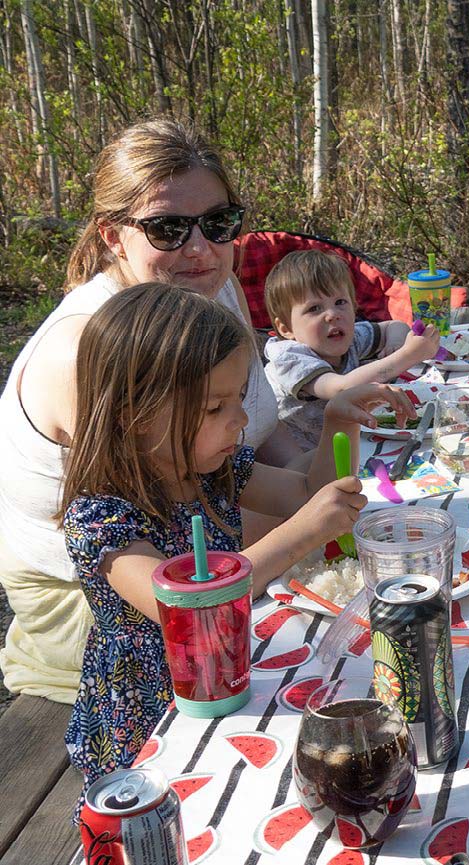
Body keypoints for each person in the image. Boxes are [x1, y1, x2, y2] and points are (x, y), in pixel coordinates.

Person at [59, 283, 412, 816]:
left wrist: (338, 420)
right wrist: (300, 534)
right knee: (174, 819)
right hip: (151, 718)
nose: (240, 420)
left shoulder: (214, 471)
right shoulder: (103, 515)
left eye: (238, 400)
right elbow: (178, 606)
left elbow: (303, 493)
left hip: (229, 682)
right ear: (135, 411)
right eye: (215, 407)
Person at [0, 118, 322, 701]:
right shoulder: (96, 347)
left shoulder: (204, 289)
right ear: (112, 237)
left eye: (218, 223)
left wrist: (321, 459)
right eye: (167, 228)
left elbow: (261, 433)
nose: (199, 248)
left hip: (203, 550)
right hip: (103, 605)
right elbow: (189, 535)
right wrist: (308, 520)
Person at [263, 250, 441, 448]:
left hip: (355, 441)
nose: (332, 314)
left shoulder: (350, 336)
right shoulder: (290, 358)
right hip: (307, 460)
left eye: (340, 302)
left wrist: (395, 343)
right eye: (314, 309)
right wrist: (407, 355)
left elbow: (394, 326)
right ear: (285, 328)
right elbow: (342, 389)